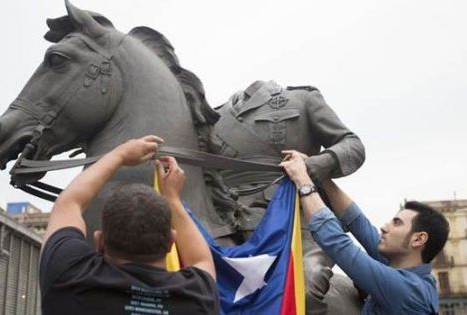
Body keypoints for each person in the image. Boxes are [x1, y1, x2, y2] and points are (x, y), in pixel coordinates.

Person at [208, 80, 366, 313]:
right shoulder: (215, 116)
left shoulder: (302, 99)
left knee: (304, 289)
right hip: (226, 220)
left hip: (295, 220)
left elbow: (352, 145)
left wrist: (314, 166)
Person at [39, 135, 220, 315]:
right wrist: (173, 198)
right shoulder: (198, 298)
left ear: (100, 240)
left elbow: (69, 202)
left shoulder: (67, 276)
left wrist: (120, 155)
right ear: (172, 241)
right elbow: (201, 260)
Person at [281, 150, 449, 314]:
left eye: (397, 223)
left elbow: (339, 244)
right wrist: (317, 173)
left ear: (418, 239)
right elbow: (357, 221)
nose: (384, 227)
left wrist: (302, 180)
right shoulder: (402, 269)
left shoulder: (408, 291)